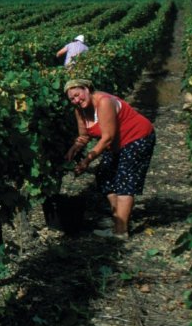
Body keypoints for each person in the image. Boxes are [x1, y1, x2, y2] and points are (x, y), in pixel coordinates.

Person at [63, 79, 156, 239]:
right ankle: (118, 220)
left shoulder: (104, 103)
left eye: (77, 95)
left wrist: (86, 161)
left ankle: (121, 231)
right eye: (72, 99)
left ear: (87, 89)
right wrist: (73, 149)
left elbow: (107, 138)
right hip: (116, 144)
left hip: (137, 137)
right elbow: (84, 136)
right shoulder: (80, 110)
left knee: (125, 181)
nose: (76, 100)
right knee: (105, 177)